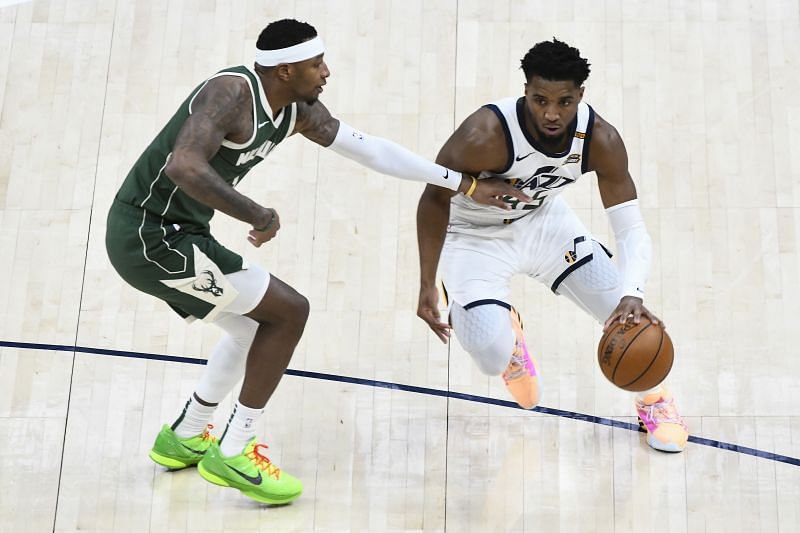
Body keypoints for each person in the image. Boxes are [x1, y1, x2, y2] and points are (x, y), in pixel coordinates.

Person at [106, 19, 527, 505]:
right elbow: (184, 165)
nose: (325, 71)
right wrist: (257, 213)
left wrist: (465, 183)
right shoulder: (231, 91)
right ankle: (236, 449)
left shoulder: (298, 110)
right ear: (284, 71)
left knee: (250, 330)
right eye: (315, 64)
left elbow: (374, 152)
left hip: (181, 233)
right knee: (290, 312)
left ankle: (187, 432)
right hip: (148, 235)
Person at [415, 38, 689, 453]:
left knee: (630, 319)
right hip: (473, 238)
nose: (551, 113)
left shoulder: (601, 139)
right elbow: (432, 199)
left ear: (580, 95)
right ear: (525, 90)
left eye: (564, 101)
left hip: (544, 224)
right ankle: (509, 340)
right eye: (540, 99)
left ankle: (655, 398)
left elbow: (631, 227)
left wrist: (634, 293)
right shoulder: (484, 134)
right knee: (489, 356)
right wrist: (426, 284)